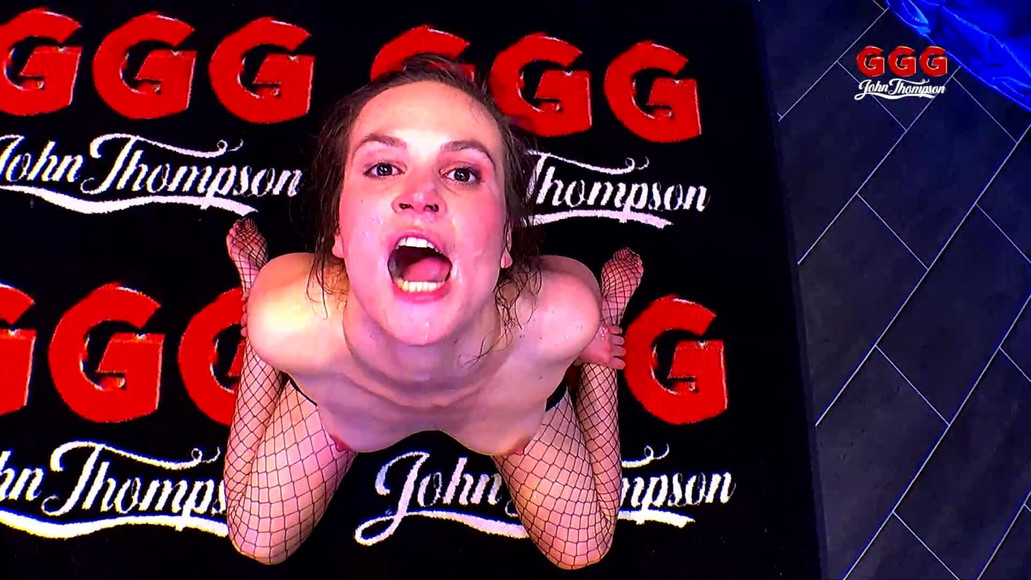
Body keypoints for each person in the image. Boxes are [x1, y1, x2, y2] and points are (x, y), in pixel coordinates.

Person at [222, 53, 644, 570]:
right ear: (338, 231)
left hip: (499, 408)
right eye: (383, 168)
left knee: (584, 549)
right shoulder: (285, 321)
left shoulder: (566, 317)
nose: (420, 195)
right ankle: (253, 285)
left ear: (506, 238)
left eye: (463, 173)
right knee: (255, 537)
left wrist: (595, 344)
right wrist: (262, 324)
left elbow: (572, 324)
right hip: (352, 411)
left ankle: (612, 319)